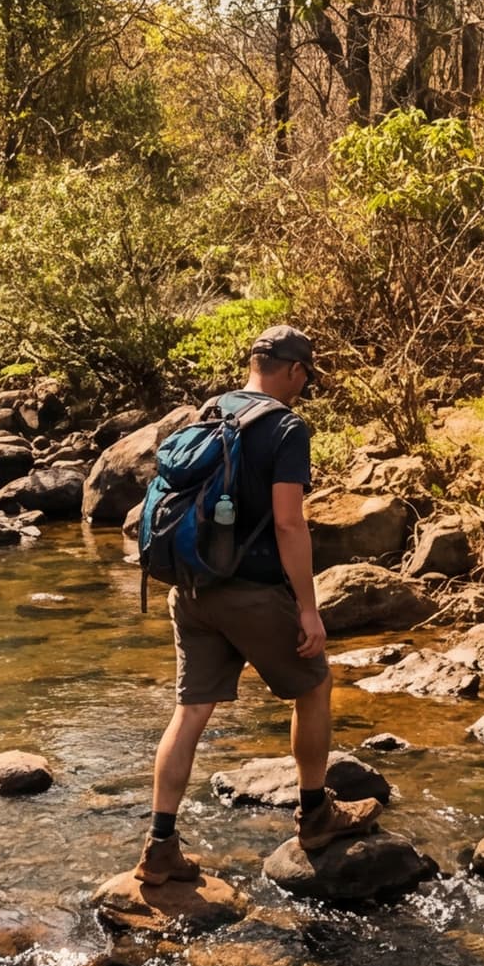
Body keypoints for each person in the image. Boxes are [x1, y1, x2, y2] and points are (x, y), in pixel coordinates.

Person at [137, 322, 377, 886]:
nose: (306, 385)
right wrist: (309, 609)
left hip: (192, 589)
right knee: (314, 685)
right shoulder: (287, 428)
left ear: (252, 363)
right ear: (294, 371)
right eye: (306, 376)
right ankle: (316, 815)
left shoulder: (213, 410)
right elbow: (291, 524)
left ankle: (160, 845)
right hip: (250, 592)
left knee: (190, 712)